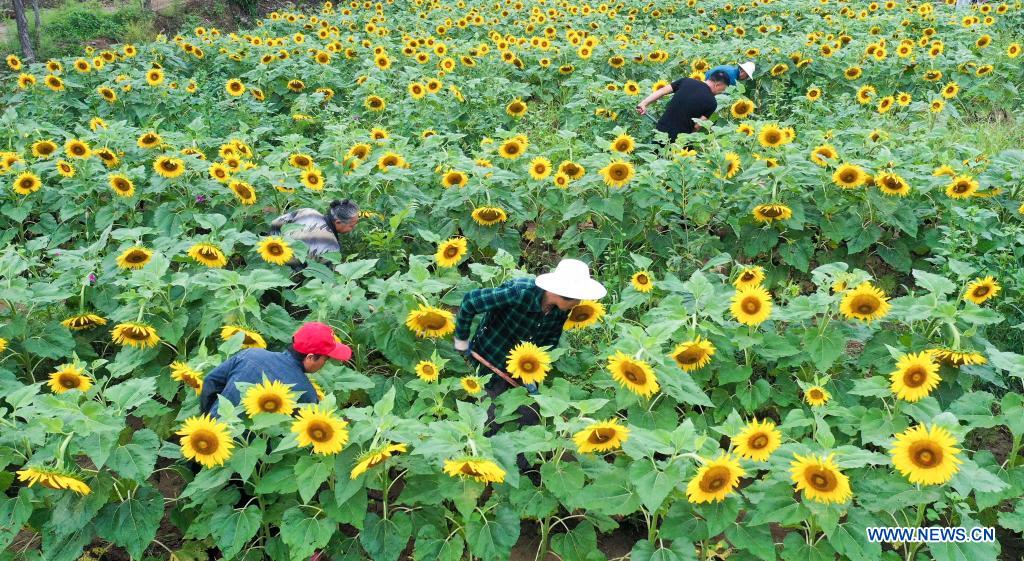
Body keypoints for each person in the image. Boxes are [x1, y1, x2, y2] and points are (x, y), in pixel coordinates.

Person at [453, 258, 607, 434]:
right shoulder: (519, 292)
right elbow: (470, 301)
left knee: (531, 418)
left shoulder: (560, 310)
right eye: (577, 299)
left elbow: (550, 340)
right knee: (488, 421)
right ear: (563, 294)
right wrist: (461, 341)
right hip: (491, 359)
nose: (579, 304)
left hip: (522, 368)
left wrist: (535, 373)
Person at [199, 322, 353, 416]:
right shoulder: (306, 393)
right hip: (250, 458)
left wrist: (210, 416)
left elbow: (210, 382)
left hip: (211, 435)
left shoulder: (250, 354)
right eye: (325, 359)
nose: (324, 364)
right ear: (310, 357)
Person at [636, 70, 730, 144]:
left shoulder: (685, 81)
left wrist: (644, 103)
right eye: (723, 89)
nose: (721, 92)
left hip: (661, 129)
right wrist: (689, 139)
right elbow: (697, 126)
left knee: (655, 162)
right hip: (680, 139)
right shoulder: (712, 102)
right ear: (717, 85)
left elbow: (662, 91)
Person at [270, 199, 360, 265]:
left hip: (269, 254)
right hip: (288, 277)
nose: (354, 227)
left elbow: (275, 222)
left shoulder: (308, 212)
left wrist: (272, 244)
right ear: (338, 222)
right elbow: (325, 277)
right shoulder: (332, 248)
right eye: (352, 225)